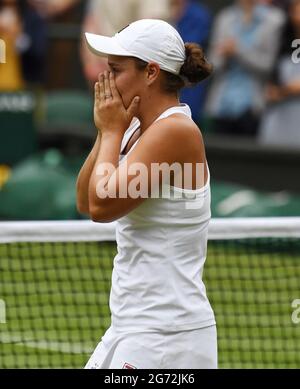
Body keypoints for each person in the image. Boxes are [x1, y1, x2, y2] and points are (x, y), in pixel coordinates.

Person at [77, 19, 217, 369]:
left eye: (115, 70)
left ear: (151, 73)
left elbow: (101, 205)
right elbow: (83, 199)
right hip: (133, 328)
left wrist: (111, 133)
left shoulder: (177, 131)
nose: (104, 80)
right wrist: (107, 131)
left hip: (167, 337)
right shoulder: (133, 127)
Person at [205, 0, 285, 136]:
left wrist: (238, 51)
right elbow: (212, 64)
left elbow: (269, 65)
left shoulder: (274, 20)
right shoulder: (224, 18)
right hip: (222, 106)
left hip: (253, 107)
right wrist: (224, 55)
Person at [81, 0, 170, 86]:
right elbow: (91, 24)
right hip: (117, 68)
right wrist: (94, 63)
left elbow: (152, 33)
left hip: (137, 71)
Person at [259, 0, 300, 148]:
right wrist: (272, 91)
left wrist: (283, 91)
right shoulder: (283, 42)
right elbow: (272, 79)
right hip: (279, 120)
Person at [169, 0, 213, 122]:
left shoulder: (199, 15)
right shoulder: (161, 12)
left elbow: (187, 47)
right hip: (168, 86)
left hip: (189, 84)